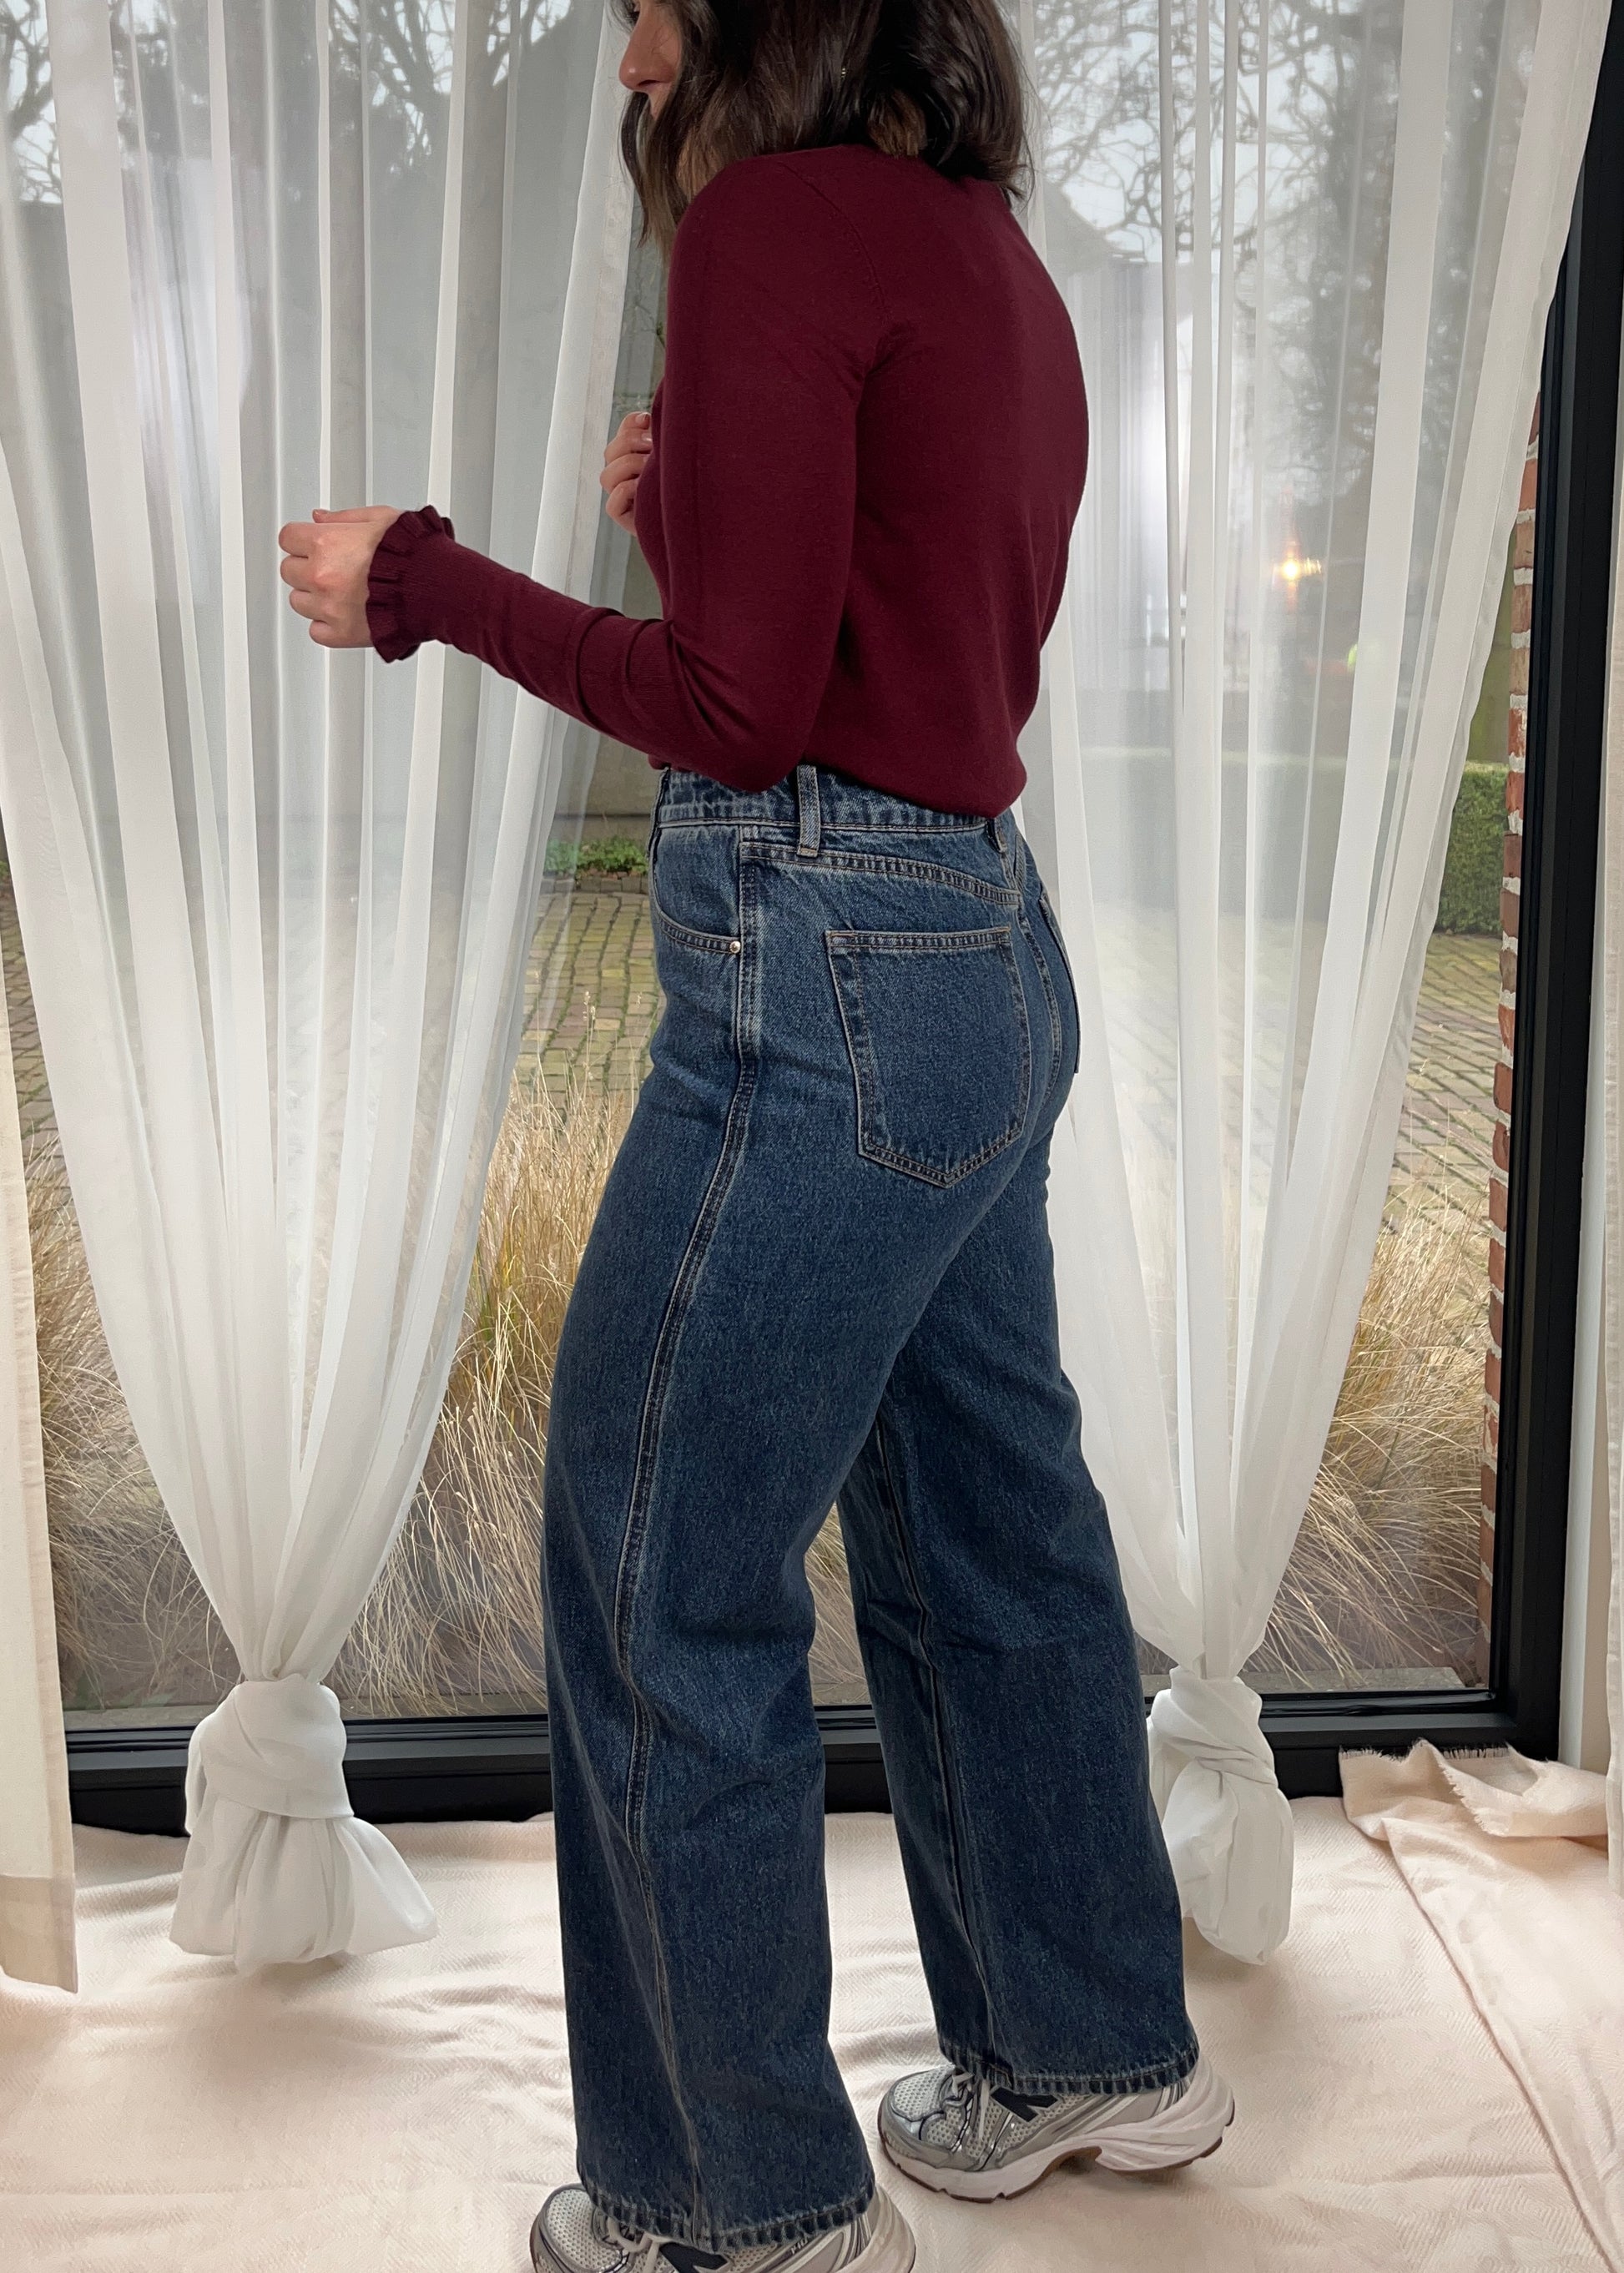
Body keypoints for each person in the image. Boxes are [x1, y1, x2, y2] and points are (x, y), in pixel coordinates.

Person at [279, 2, 1234, 2266]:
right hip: (977, 954)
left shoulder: (769, 228)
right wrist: (698, 495)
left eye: (645, 8)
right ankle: (1091, 2048)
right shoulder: (975, 241)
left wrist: (417, 581)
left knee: (655, 1574)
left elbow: (733, 706)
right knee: (992, 1525)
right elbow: (898, 610)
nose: (626, 62)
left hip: (822, 983)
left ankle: (735, 2208)